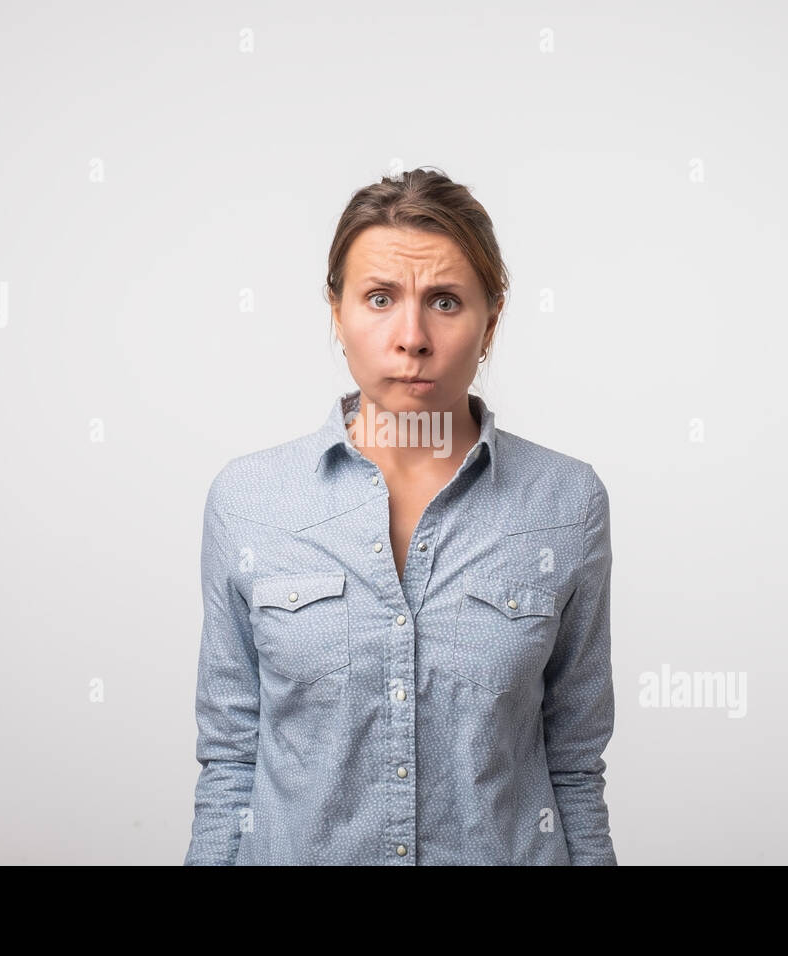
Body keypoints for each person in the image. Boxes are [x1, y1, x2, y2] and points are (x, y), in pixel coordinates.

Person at [183, 167, 617, 865]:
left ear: (491, 321)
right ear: (337, 312)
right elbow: (231, 760)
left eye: (444, 301)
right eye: (380, 298)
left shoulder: (566, 504)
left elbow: (573, 763)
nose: (411, 336)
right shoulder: (250, 503)